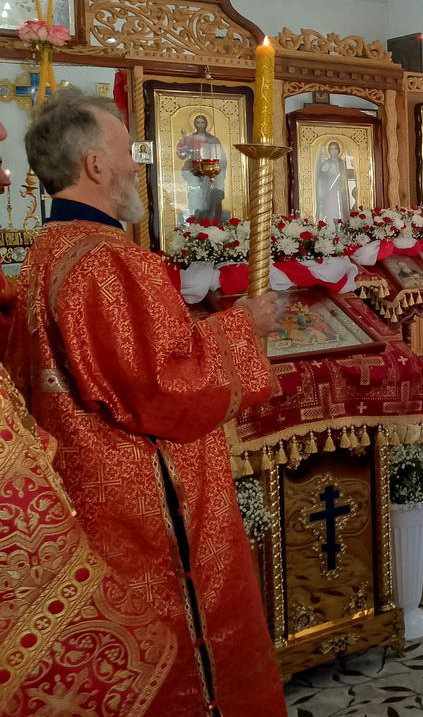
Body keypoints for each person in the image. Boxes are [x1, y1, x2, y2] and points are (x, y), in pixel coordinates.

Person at [7, 87, 286, 717]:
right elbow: (159, 387)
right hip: (149, 503)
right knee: (181, 652)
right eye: (126, 151)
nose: (136, 166)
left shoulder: (47, 250)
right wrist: (243, 327)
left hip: (87, 487)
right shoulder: (108, 260)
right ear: (94, 164)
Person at [175, 113, 226, 222]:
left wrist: (217, 170)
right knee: (195, 195)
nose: (200, 125)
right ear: (194, 124)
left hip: (210, 171)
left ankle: (207, 218)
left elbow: (221, 158)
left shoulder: (213, 139)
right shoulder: (190, 138)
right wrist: (183, 141)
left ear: (206, 124)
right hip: (193, 171)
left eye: (202, 122)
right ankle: (195, 217)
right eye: (198, 122)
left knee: (208, 195)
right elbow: (182, 154)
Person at [316, 139, 354, 222]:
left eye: (335, 149)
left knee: (342, 209)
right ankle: (331, 226)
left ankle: (343, 225)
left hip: (342, 191)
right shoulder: (327, 163)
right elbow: (321, 178)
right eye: (331, 149)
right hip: (331, 191)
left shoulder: (343, 163)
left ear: (339, 150)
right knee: (332, 209)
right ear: (328, 151)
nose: (333, 151)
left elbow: (350, 176)